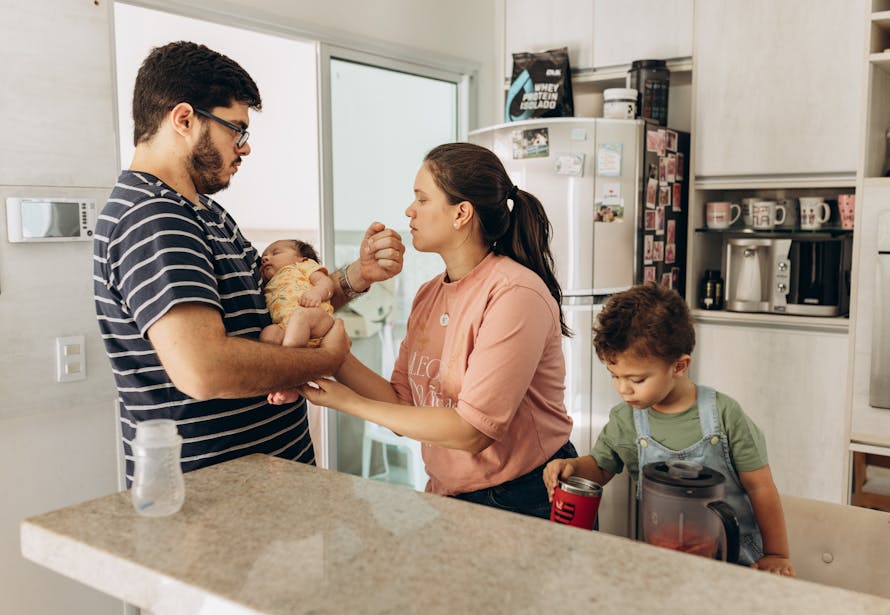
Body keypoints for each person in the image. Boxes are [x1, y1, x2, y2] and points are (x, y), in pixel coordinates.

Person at [93, 41, 405, 483]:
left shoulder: (204, 211)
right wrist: (325, 360)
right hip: (215, 500)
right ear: (183, 119)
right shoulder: (154, 218)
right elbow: (205, 370)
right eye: (236, 131)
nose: (245, 148)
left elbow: (277, 303)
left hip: (266, 481)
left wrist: (354, 278)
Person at [302, 142, 575, 519]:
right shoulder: (429, 294)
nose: (409, 210)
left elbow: (472, 431)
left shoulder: (515, 294)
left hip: (524, 495)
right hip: (451, 494)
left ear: (461, 213)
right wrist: (331, 353)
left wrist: (348, 403)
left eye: (422, 199)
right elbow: (402, 405)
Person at [542, 282, 795, 576]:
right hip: (661, 560)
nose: (624, 389)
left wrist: (777, 554)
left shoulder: (725, 415)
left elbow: (760, 487)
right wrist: (571, 466)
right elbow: (600, 467)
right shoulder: (626, 420)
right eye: (615, 376)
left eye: (636, 380)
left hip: (735, 560)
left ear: (679, 366)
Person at [259, 239, 336, 405]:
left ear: (301, 258)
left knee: (300, 315)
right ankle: (278, 381)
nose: (265, 258)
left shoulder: (303, 266)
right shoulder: (268, 284)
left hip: (317, 321)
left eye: (275, 252)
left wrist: (317, 292)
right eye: (263, 257)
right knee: (269, 333)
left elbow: (326, 282)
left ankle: (290, 380)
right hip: (289, 332)